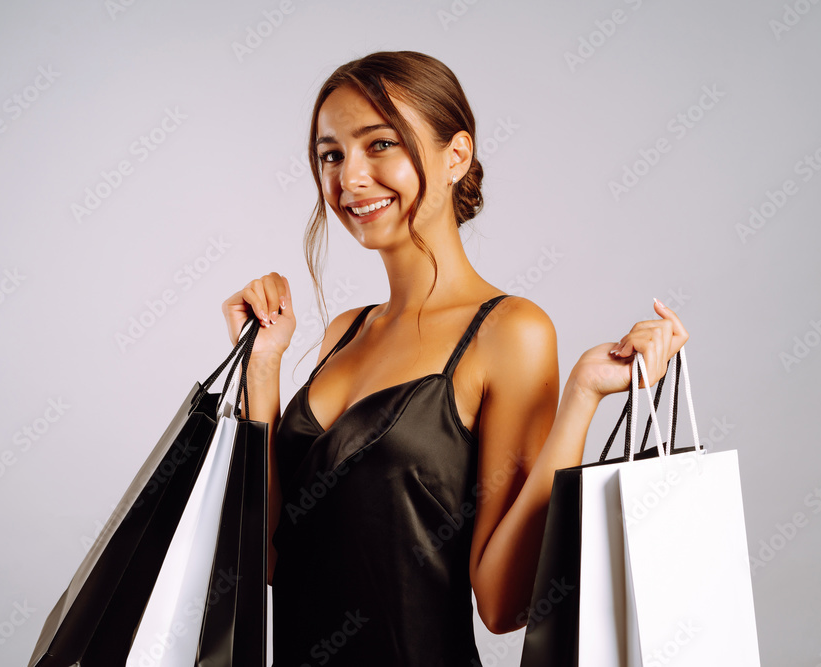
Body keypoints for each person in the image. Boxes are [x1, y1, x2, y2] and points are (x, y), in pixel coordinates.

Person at [221, 51, 688, 667]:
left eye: (379, 144)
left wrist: (581, 398)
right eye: (330, 154)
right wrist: (262, 367)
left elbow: (503, 604)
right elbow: (273, 559)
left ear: (456, 155)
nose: (350, 177)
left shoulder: (509, 332)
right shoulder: (343, 332)